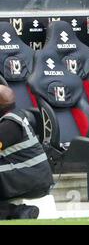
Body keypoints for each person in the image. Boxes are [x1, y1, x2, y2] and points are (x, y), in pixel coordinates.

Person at [0, 85, 53, 220]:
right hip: (30, 176)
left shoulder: (9, 125)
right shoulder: (14, 117)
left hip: (30, 179)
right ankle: (17, 213)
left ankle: (17, 212)